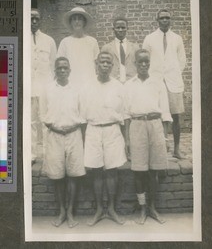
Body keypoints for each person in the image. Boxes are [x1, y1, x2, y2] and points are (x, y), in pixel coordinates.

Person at [124, 49, 172, 225]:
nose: (144, 65)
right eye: (140, 62)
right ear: (135, 64)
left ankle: (152, 207)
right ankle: (142, 207)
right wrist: (127, 140)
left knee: (154, 171)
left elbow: (165, 113)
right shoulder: (128, 85)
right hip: (137, 126)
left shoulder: (158, 83)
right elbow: (126, 115)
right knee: (139, 170)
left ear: (150, 63)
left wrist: (165, 138)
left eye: (147, 62)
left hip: (155, 125)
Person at [80, 51, 127, 226]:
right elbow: (83, 115)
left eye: (108, 63)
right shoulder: (87, 86)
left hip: (112, 130)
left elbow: (125, 114)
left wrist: (126, 139)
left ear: (112, 66)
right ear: (96, 64)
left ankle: (112, 209)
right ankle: (100, 209)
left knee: (112, 171)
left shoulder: (119, 87)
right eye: (102, 62)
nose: (105, 65)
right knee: (97, 171)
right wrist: (84, 139)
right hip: (93, 130)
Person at [40, 57, 86, 228]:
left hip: (74, 134)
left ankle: (70, 212)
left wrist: (74, 128)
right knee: (58, 176)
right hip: (55, 135)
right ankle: (61, 211)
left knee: (74, 174)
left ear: (70, 70)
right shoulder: (48, 89)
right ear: (55, 70)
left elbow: (83, 113)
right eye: (59, 68)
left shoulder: (77, 89)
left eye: (65, 68)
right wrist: (55, 127)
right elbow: (43, 114)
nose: (62, 71)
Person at [142, 9, 186, 159]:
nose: (165, 20)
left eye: (167, 18)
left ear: (170, 20)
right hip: (156, 82)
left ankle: (177, 148)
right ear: (157, 20)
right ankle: (159, 147)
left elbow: (182, 61)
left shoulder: (177, 38)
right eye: (162, 18)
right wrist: (154, 77)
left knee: (176, 116)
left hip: (173, 82)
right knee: (157, 115)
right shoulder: (149, 38)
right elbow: (145, 59)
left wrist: (172, 73)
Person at [31, 8, 57, 163]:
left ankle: (48, 153)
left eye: (36, 19)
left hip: (45, 88)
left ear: (41, 20)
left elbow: (53, 65)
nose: (34, 22)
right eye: (31, 18)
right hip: (29, 88)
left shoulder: (49, 40)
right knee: (31, 122)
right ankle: (33, 154)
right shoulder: (22, 39)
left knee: (46, 121)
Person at [57, 6, 99, 88]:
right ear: (71, 22)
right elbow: (60, 64)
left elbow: (97, 64)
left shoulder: (92, 41)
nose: (77, 22)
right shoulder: (65, 42)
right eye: (74, 19)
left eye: (80, 19)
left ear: (84, 22)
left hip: (89, 82)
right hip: (71, 83)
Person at [101, 17, 139, 83]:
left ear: (127, 29)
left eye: (123, 27)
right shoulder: (106, 48)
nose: (120, 30)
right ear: (113, 29)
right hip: (113, 84)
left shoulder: (135, 48)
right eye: (118, 28)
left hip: (131, 83)